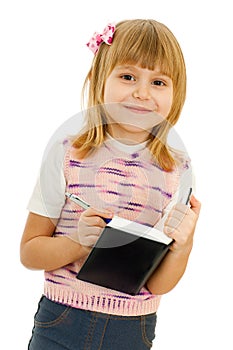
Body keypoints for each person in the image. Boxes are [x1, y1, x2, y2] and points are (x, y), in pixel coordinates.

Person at [20, 19, 201, 350]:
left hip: (132, 330)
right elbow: (30, 252)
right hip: (62, 319)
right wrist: (77, 243)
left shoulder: (175, 171)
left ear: (177, 94)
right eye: (128, 76)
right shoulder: (67, 154)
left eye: (158, 82)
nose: (141, 92)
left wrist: (183, 245)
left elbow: (159, 284)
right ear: (100, 79)